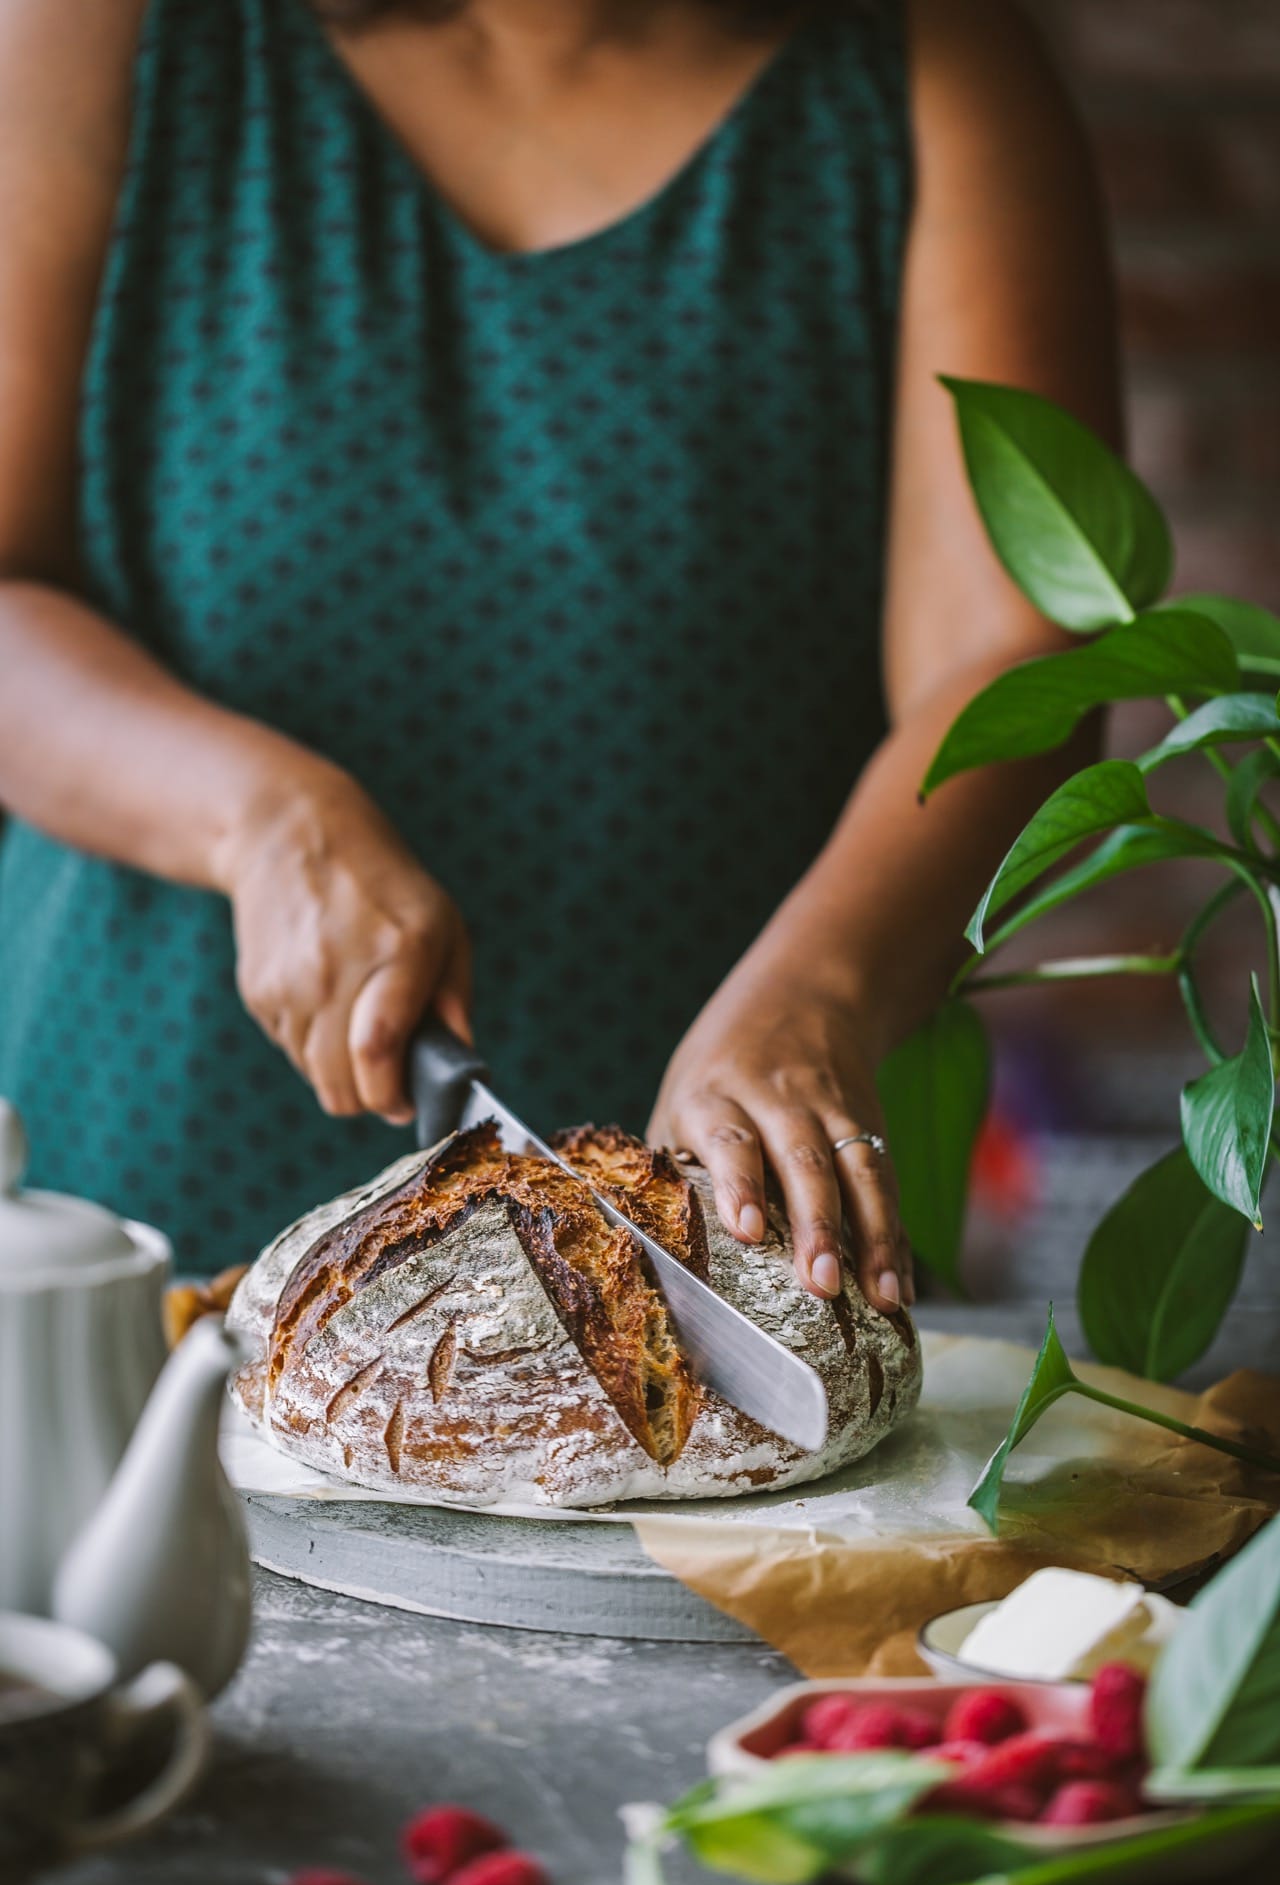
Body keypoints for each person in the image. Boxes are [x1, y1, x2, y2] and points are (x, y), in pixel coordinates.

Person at [0, 0, 1117, 1305]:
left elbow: (1016, 660)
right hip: (142, 1201)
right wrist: (255, 823)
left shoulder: (925, 59)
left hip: (713, 1250)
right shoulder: (101, 28)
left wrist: (823, 994)